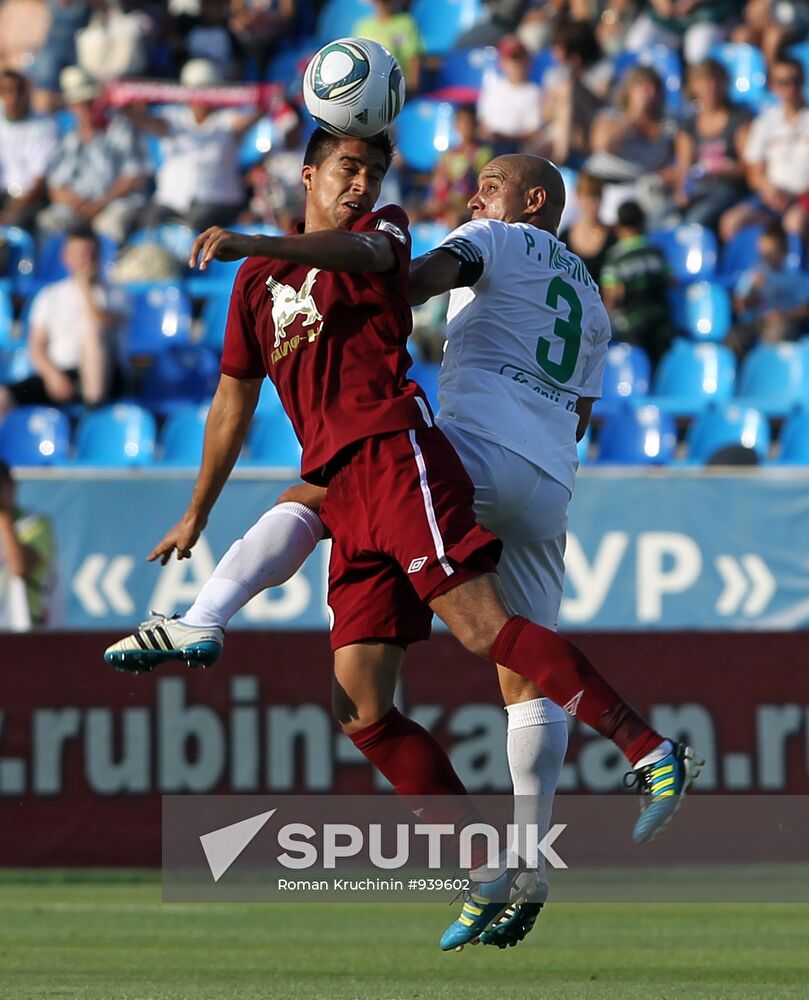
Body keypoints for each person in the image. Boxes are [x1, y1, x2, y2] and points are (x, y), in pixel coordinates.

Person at [104, 132, 700, 947]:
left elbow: (407, 277)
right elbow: (583, 413)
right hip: (549, 480)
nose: (472, 198)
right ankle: (517, 864)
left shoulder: (487, 238)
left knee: (336, 488)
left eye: (488, 186)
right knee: (451, 682)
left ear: (532, 203)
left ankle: (646, 745)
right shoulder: (591, 301)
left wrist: (312, 260)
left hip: (463, 447)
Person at [0, 224, 127, 416]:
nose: (86, 259)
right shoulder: (49, 296)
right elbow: (36, 346)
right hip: (61, 374)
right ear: (65, 258)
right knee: (3, 397)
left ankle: (93, 413)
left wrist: (86, 291)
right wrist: (52, 375)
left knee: (92, 333)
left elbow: (103, 322)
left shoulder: (116, 294)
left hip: (106, 377)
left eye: (91, 253)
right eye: (80, 254)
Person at [125, 59, 264, 232]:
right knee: (142, 224)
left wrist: (264, 102)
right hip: (170, 200)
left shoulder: (228, 120)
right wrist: (125, 102)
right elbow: (143, 120)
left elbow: (250, 118)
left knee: (192, 226)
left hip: (217, 201)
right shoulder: (172, 117)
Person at [37, 65, 149, 243]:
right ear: (72, 107)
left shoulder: (121, 129)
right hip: (77, 206)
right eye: (79, 103)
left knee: (110, 224)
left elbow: (134, 177)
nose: (85, 108)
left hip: (114, 204)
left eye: (89, 101)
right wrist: (78, 205)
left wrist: (99, 205)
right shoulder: (67, 137)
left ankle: (111, 269)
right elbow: (55, 186)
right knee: (49, 221)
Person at [719, 55, 809, 244]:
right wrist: (769, 189)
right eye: (784, 82)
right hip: (771, 198)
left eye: (796, 80)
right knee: (731, 222)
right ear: (773, 86)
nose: (791, 88)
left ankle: (795, 271)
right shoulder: (765, 122)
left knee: (795, 223)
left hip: (804, 199)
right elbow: (754, 173)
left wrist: (799, 196)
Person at [585, 65, 678, 226]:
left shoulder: (668, 127)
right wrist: (634, 114)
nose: (648, 92)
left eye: (653, 87)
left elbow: (674, 164)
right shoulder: (610, 116)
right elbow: (603, 144)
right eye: (641, 86)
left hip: (637, 188)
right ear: (629, 91)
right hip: (599, 183)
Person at [674, 58, 752, 231]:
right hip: (699, 187)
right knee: (665, 216)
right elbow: (684, 168)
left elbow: (747, 166)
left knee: (696, 220)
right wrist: (682, 192)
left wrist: (724, 169)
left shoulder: (739, 119)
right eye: (704, 81)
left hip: (728, 188)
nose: (711, 87)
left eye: (716, 80)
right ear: (694, 86)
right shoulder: (688, 124)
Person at [600, 200, 674, 366]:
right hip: (662, 322)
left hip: (632, 327)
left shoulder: (615, 258)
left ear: (618, 226)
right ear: (642, 222)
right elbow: (670, 282)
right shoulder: (656, 251)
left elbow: (614, 295)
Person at [726, 220, 809, 359]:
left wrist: (782, 314)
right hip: (757, 322)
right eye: (764, 254)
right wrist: (752, 293)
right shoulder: (753, 276)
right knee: (733, 337)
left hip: (783, 323)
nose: (767, 259)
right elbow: (739, 306)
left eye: (772, 253)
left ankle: (766, 373)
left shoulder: (796, 278)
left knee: (775, 334)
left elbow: (804, 310)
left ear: (784, 251)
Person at [0, 461, 56, 630]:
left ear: (12, 486)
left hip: (22, 631)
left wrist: (3, 515)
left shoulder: (35, 523)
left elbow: (20, 566)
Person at [0, 70, 58, 231]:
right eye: (7, 91)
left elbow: (39, 182)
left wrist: (9, 213)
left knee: (14, 227)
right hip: (4, 195)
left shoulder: (45, 125)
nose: (14, 98)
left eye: (19, 91)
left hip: (29, 199)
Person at [476, 35, 545, 153]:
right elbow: (481, 123)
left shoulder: (533, 92)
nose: (516, 65)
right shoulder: (492, 88)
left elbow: (534, 133)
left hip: (517, 150)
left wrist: (503, 137)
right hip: (489, 147)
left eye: (520, 59)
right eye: (512, 59)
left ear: (528, 62)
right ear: (502, 63)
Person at [354, 0, 423, 94]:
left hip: (396, 87)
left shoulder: (405, 23)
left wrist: (411, 87)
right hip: (369, 87)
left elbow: (413, 56)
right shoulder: (364, 26)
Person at [558, 172, 616, 285]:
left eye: (596, 197)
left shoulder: (613, 235)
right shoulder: (565, 235)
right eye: (587, 198)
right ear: (578, 198)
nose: (591, 204)